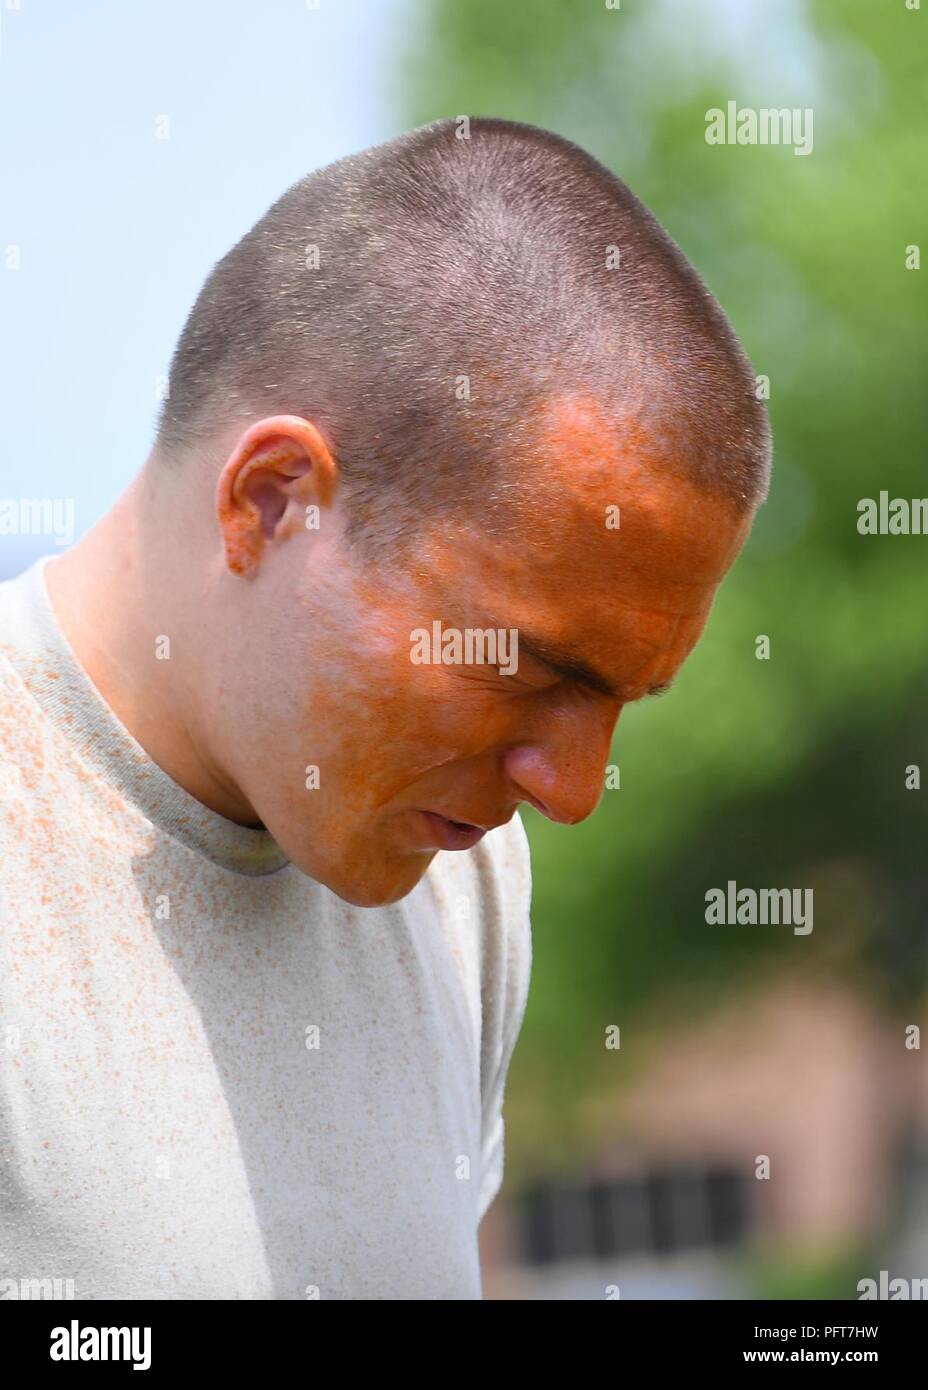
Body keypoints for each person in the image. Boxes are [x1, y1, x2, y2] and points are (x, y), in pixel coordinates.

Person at [0, 117, 771, 1300]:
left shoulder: (460, 883)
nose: (566, 794)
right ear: (273, 501)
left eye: (624, 699)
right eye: (531, 666)